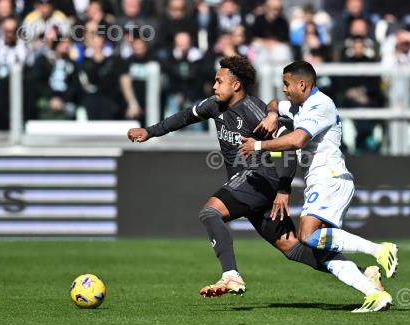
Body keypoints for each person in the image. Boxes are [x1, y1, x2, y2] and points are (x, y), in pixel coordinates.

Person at [127, 56, 383, 301]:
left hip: (259, 178)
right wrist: (149, 132)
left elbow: (291, 149)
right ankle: (363, 274)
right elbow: (184, 117)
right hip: (248, 185)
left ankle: (231, 276)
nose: (214, 86)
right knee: (293, 248)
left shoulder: (254, 110)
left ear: (236, 85)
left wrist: (284, 189)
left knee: (209, 213)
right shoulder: (212, 105)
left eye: (219, 81)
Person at [239, 61, 398, 312]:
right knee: (321, 249)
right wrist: (272, 114)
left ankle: (380, 250)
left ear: (302, 84)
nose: (284, 89)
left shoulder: (320, 104)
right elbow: (272, 104)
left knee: (307, 235)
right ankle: (374, 292)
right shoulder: (298, 105)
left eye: (287, 84)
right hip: (322, 180)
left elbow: (297, 139)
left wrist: (258, 146)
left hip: (330, 178)